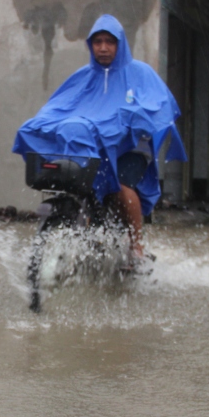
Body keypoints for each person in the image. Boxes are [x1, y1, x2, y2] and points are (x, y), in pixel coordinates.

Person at [12, 14, 187, 265]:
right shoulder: (83, 77)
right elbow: (59, 107)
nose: (103, 48)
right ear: (90, 45)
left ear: (120, 45)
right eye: (97, 42)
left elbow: (160, 106)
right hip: (93, 148)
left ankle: (136, 245)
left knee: (122, 186)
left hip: (130, 148)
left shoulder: (140, 73)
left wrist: (131, 120)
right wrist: (40, 125)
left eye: (109, 42)